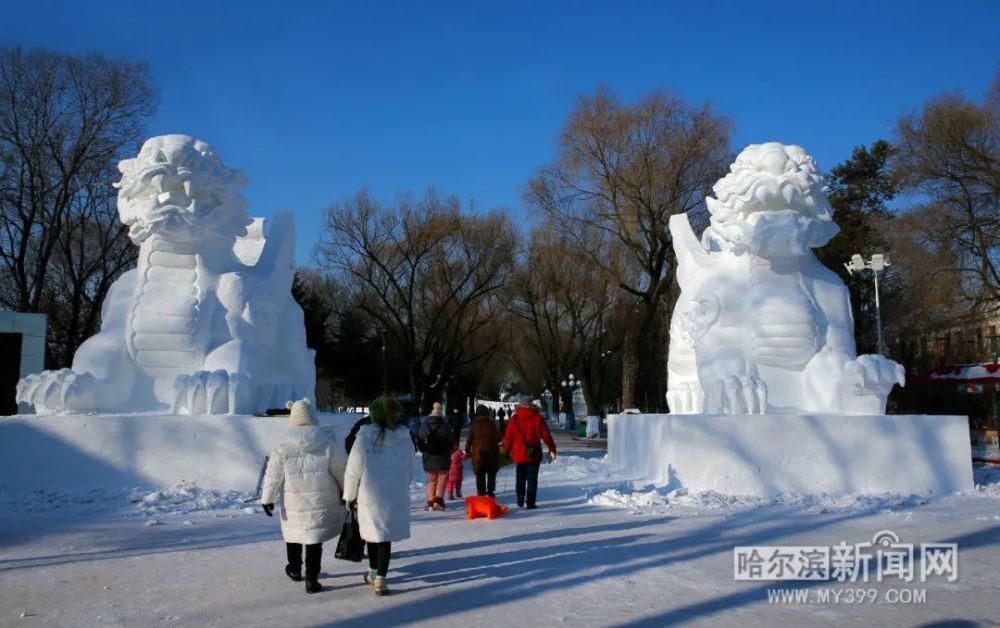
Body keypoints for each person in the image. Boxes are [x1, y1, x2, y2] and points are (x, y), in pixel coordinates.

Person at [261, 398, 347, 594]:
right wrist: (346, 491)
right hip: (321, 501)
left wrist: (267, 498)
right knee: (313, 539)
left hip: (294, 501)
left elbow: (273, 475)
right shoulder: (327, 441)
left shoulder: (282, 444)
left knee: (293, 534)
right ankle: (312, 579)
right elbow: (341, 470)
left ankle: (294, 569)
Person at [342, 396, 414, 597]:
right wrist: (401, 484)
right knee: (385, 536)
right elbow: (410, 468)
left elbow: (353, 470)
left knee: (373, 533)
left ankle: (375, 572)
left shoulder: (363, 437)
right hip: (394, 492)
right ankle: (380, 576)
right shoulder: (404, 438)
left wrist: (348, 495)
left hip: (370, 493)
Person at [503, 395, 557, 509]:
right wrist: (552, 448)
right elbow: (546, 436)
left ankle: (520, 497)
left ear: (520, 405)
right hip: (534, 454)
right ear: (531, 405)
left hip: (519, 454)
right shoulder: (538, 418)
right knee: (532, 479)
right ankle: (531, 502)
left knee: (520, 478)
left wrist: (506, 451)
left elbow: (508, 437)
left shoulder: (515, 419)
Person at [418, 402, 453, 510]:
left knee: (431, 479)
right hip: (443, 455)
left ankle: (430, 501)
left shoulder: (424, 424)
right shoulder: (445, 425)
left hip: (428, 456)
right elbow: (451, 441)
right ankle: (438, 499)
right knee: (442, 478)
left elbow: (420, 439)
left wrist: (424, 449)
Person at [465, 404, 500, 497]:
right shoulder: (491, 424)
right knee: (491, 473)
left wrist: (467, 450)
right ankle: (490, 491)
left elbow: (469, 439)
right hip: (491, 453)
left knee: (480, 474)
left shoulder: (474, 425)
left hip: (478, 454)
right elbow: (498, 438)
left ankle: (481, 492)